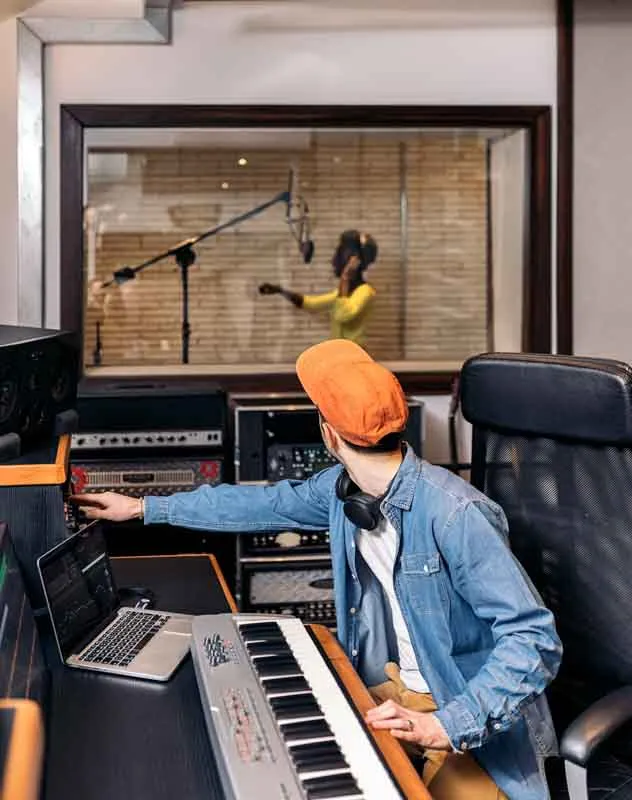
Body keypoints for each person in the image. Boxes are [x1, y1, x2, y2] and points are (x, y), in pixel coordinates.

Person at [72, 339, 562, 800]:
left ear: (328, 432)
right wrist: (142, 509)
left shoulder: (456, 514)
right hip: (398, 689)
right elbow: (259, 503)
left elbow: (534, 641)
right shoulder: (343, 490)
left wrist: (448, 726)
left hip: (465, 714)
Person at [258, 230, 377, 347]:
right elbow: (310, 303)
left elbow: (342, 315)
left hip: (354, 356)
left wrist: (345, 278)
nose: (333, 261)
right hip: (338, 355)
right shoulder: (341, 294)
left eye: (339, 254)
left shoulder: (365, 291)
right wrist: (280, 291)